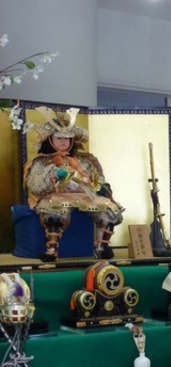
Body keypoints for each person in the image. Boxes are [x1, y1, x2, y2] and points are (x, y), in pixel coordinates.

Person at [24, 106, 124, 261]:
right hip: (56, 196)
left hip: (86, 196)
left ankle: (101, 248)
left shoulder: (85, 161)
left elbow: (97, 179)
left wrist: (100, 186)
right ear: (50, 139)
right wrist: (54, 175)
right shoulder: (42, 162)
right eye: (59, 138)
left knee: (111, 211)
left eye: (67, 138)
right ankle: (52, 250)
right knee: (55, 212)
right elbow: (34, 184)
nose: (63, 141)